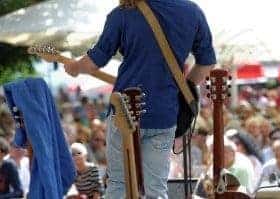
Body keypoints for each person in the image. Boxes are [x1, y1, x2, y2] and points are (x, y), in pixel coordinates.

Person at [63, 0, 215, 198]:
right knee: (157, 188)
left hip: (125, 112)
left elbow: (94, 61)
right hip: (164, 115)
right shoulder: (192, 12)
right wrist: (181, 89)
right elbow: (207, 63)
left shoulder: (123, 14)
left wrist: (74, 67)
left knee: (118, 183)